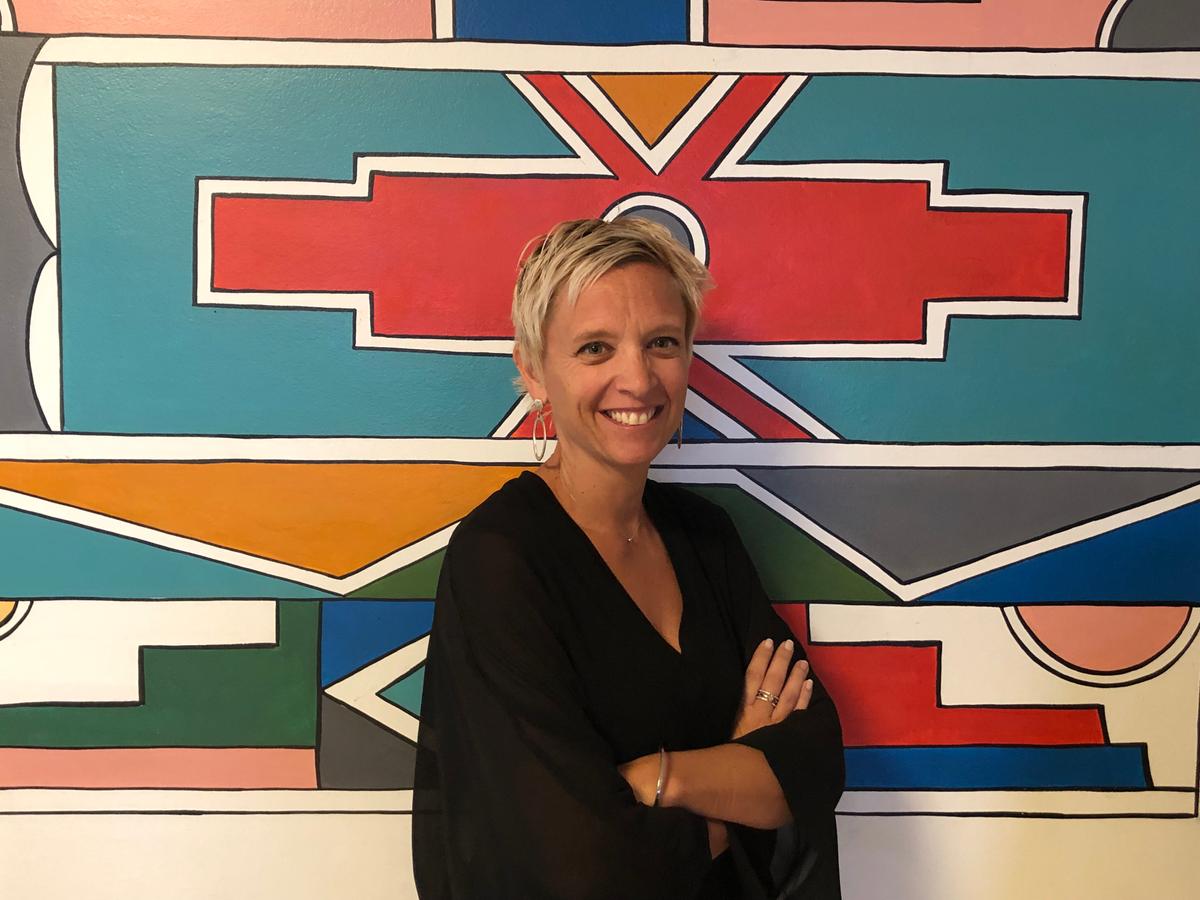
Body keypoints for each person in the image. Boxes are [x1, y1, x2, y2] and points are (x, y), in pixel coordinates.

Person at [413, 218, 844, 899]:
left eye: (662, 343)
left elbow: (816, 759)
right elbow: (578, 865)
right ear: (533, 369)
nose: (638, 378)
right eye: (595, 348)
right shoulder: (501, 560)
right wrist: (739, 767)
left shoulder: (706, 536)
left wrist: (660, 779)